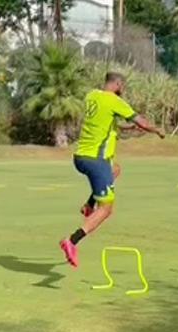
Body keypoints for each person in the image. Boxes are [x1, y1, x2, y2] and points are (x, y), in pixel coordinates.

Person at [59, 72, 165, 268]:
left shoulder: (92, 96)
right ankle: (72, 241)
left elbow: (107, 123)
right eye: (122, 85)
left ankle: (89, 204)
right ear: (117, 84)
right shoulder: (114, 101)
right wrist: (157, 130)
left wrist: (129, 130)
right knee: (106, 209)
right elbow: (140, 120)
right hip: (95, 160)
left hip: (81, 157)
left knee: (115, 170)